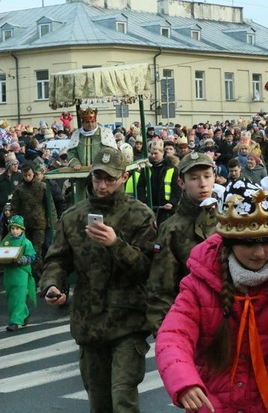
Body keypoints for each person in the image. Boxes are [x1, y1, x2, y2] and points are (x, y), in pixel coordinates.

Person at [156, 178, 268, 413]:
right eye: (249, 244)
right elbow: (173, 336)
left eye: (266, 241)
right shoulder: (198, 285)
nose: (260, 253)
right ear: (229, 243)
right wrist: (184, 382)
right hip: (213, 404)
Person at [41, 147, 157, 413]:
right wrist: (52, 285)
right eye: (97, 178)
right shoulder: (73, 216)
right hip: (89, 322)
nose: (102, 185)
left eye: (109, 179)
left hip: (128, 321)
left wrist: (116, 244)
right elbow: (56, 260)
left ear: (124, 178)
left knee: (123, 398)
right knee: (99, 401)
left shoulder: (140, 216)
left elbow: (148, 269)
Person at [146, 152, 222, 334]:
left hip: (229, 322)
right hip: (189, 322)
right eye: (194, 178)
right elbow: (162, 286)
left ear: (214, 178)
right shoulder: (171, 229)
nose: (202, 184)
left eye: (207, 176)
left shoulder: (228, 222)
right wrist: (165, 333)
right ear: (181, 183)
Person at [11, 162, 55, 280]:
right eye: (25, 176)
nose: (27, 178)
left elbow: (49, 206)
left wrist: (51, 222)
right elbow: (14, 206)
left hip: (40, 223)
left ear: (33, 174)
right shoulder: (19, 189)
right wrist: (13, 223)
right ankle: (29, 274)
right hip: (24, 224)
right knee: (26, 249)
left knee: (37, 250)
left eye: (29, 175)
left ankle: (38, 275)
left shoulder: (42, 186)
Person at [0, 215, 37, 332]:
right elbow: (0, 253)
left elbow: (32, 256)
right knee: (11, 296)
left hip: (21, 272)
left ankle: (15, 321)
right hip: (9, 272)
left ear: (22, 229)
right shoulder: (6, 241)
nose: (14, 231)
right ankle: (24, 314)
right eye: (12, 228)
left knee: (19, 296)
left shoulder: (26, 243)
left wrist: (21, 260)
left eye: (17, 228)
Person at [137, 140, 181, 227]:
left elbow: (177, 189)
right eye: (152, 153)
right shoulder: (146, 169)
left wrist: (172, 202)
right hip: (149, 207)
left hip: (166, 209)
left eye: (156, 153)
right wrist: (143, 201)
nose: (153, 156)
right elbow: (140, 187)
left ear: (162, 152)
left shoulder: (172, 169)